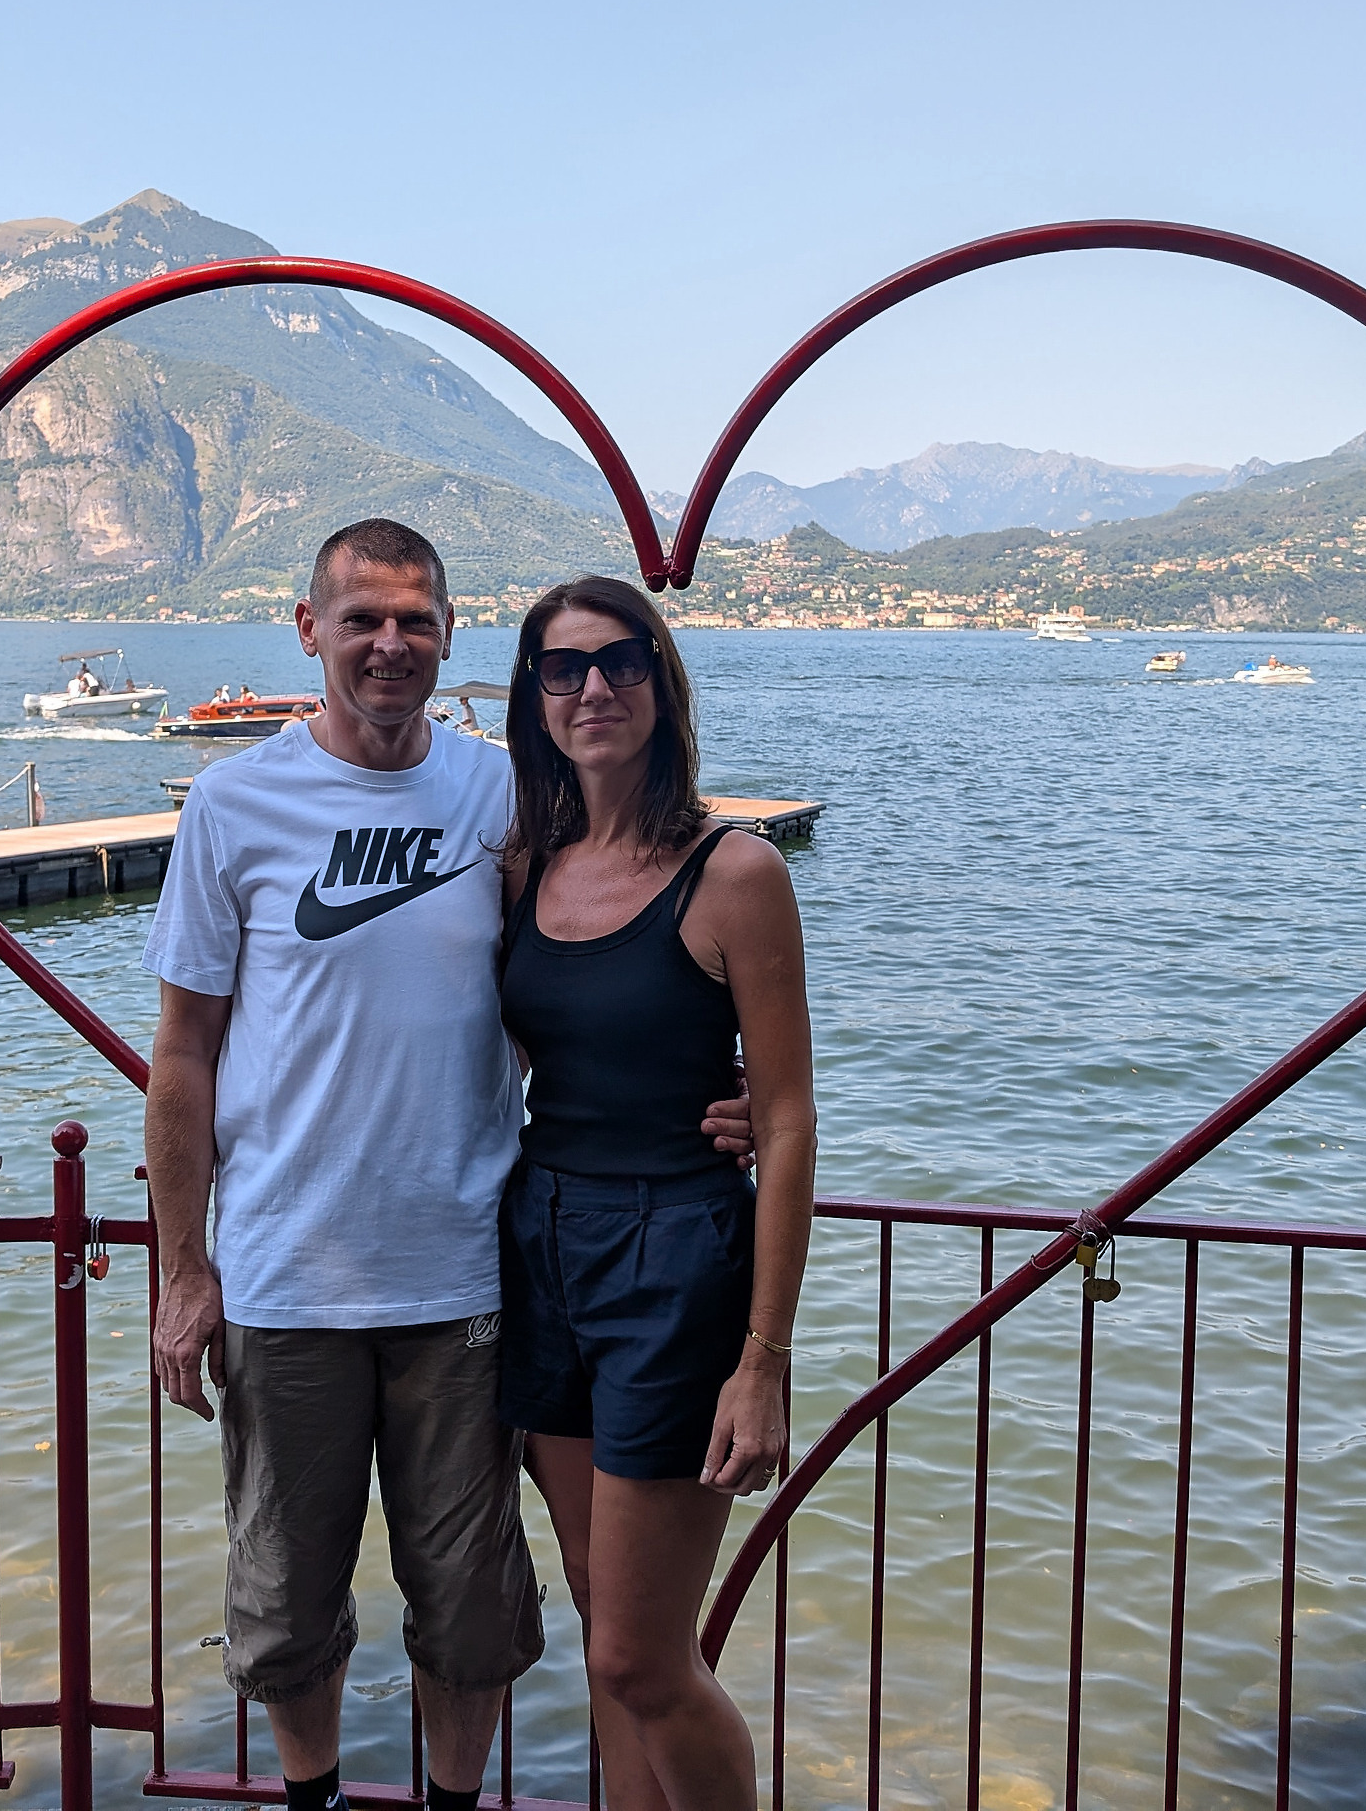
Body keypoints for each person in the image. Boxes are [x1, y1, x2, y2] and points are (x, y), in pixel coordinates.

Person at [143, 521, 751, 1811]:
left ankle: (453, 1805)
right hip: (283, 1273)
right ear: (306, 629)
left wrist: (715, 1085)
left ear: (447, 635)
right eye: (360, 618)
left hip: (470, 1271)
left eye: (414, 620)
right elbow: (183, 1053)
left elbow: (605, 945)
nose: (388, 643)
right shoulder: (232, 803)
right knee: (287, 1603)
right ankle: (312, 1798)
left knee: (471, 1603)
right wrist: (183, 1269)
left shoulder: (505, 796)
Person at [497, 575, 817, 1811]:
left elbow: (784, 1118)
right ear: (534, 697)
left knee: (642, 1652)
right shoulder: (525, 866)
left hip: (676, 1258)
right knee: (601, 1623)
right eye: (563, 667)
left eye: (620, 660)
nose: (592, 687)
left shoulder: (733, 872)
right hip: (542, 1244)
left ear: (661, 684)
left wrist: (763, 1359)